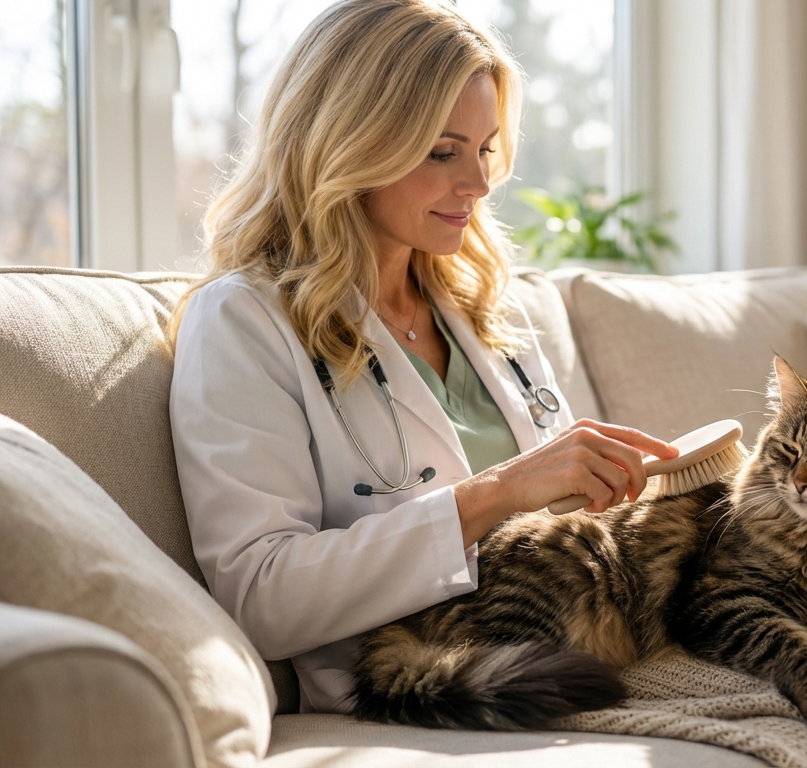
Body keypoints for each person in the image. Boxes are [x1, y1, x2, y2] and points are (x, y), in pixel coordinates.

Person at [167, 0, 676, 714]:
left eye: (485, 149)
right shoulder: (245, 320)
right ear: (348, 142)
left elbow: (554, 522)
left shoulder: (482, 306)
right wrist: (494, 494)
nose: (477, 184)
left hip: (575, 644)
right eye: (443, 151)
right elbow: (262, 595)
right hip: (425, 690)